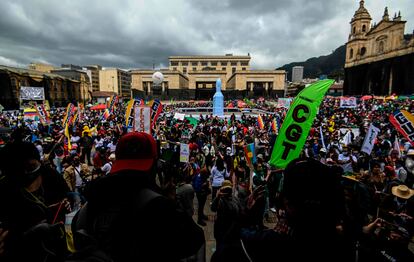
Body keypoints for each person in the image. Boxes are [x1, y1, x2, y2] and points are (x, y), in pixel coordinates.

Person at [69, 132, 205, 261]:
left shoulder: (87, 209)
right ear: (153, 165)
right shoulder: (161, 209)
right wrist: (171, 202)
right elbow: (194, 241)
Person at [0, 141, 71, 262]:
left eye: (31, 167)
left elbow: (64, 197)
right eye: (19, 169)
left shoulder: (51, 176)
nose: (26, 173)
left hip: (55, 248)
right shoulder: (4, 189)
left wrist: (64, 205)